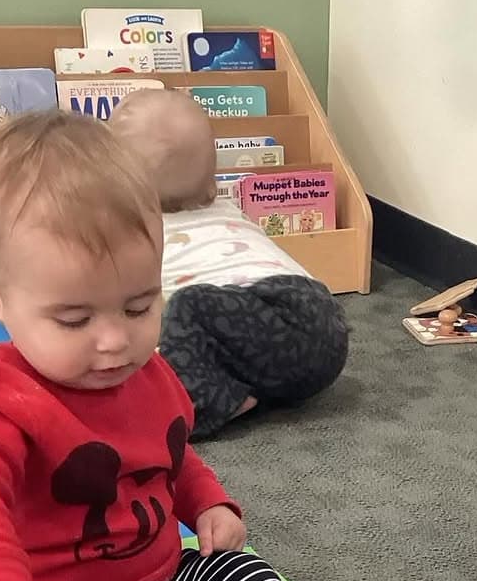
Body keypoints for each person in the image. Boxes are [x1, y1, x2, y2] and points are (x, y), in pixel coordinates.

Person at [0, 111, 417, 581]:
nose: (115, 340)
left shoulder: (149, 371)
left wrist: (207, 502)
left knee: (245, 579)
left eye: (138, 306)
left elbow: (172, 452)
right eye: (73, 319)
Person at [109, 88, 348, 438]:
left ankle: (208, 403)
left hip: (282, 311)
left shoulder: (139, 233)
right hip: (325, 324)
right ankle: (250, 389)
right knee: (200, 323)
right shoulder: (224, 208)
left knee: (187, 307)